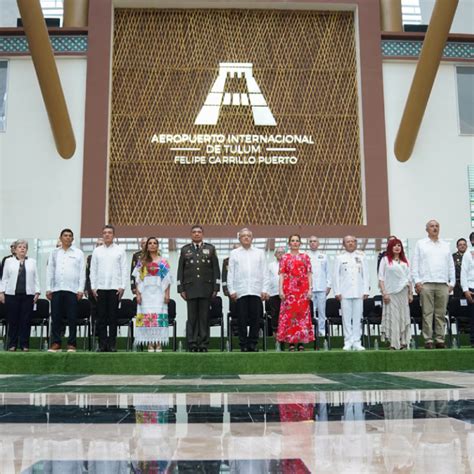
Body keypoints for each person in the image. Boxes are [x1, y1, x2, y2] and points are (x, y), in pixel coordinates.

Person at [412, 220, 455, 349]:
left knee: (441, 314)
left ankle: (440, 339)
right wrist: (417, 281)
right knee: (427, 313)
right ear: (427, 229)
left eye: (437, 226)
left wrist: (452, 282)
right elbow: (415, 264)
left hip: (443, 283)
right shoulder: (421, 244)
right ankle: (428, 340)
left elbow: (450, 265)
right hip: (426, 283)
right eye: (432, 226)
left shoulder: (445, 245)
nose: (435, 228)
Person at [177, 225, 220, 352]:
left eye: (199, 232)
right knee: (192, 318)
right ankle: (192, 343)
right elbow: (180, 270)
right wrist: (181, 288)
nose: (196, 234)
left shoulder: (210, 249)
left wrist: (216, 287)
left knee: (204, 317)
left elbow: (216, 269)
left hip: (206, 288)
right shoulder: (185, 250)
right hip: (190, 288)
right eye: (194, 232)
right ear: (191, 234)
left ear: (203, 234)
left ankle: (203, 344)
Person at [227, 228, 269, 352]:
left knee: (256, 319)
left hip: (256, 290)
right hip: (241, 290)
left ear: (252, 238)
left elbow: (265, 272)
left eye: (248, 236)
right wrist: (231, 289)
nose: (246, 237)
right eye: (243, 236)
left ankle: (253, 343)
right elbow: (231, 273)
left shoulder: (259, 252)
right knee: (242, 319)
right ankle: (243, 344)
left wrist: (265, 289)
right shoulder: (234, 253)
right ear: (239, 238)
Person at [46, 229, 85, 353]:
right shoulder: (54, 253)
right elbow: (50, 271)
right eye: (65, 236)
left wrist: (80, 289)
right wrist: (48, 288)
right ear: (60, 238)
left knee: (72, 317)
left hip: (72, 290)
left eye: (70, 236)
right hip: (56, 289)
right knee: (56, 317)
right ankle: (56, 343)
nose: (68, 238)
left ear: (73, 239)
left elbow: (82, 272)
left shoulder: (78, 253)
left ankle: (72, 343)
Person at [90, 225, 128, 352]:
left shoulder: (120, 250)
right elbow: (93, 270)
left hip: (114, 288)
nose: (107, 235)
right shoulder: (97, 251)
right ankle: (102, 344)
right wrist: (93, 287)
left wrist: (122, 286)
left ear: (113, 235)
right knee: (101, 318)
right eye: (105, 233)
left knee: (113, 317)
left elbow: (124, 269)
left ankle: (112, 344)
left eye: (110, 232)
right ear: (102, 235)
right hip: (100, 288)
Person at [133, 237, 172, 352]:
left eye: (155, 243)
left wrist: (167, 294)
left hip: (159, 293)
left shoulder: (163, 261)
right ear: (147, 246)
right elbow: (138, 280)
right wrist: (138, 295)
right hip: (146, 294)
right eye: (150, 243)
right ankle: (149, 343)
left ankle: (158, 343)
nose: (152, 245)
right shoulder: (142, 261)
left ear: (158, 246)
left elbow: (167, 280)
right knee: (147, 317)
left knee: (159, 316)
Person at [0, 240, 40, 351]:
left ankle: (24, 345)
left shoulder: (32, 261)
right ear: (15, 249)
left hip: (28, 295)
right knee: (12, 320)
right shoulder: (8, 261)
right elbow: (4, 278)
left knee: (25, 320)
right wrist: (1, 292)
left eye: (24, 247)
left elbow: (36, 277)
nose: (22, 249)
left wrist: (37, 292)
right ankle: (12, 344)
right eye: (20, 247)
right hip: (11, 295)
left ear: (27, 250)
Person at [277, 235, 314, 351]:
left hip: (303, 291)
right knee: (290, 316)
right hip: (289, 291)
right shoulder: (284, 257)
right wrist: (280, 290)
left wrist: (310, 289)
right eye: (292, 241)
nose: (295, 243)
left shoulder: (305, 257)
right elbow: (282, 275)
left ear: (300, 243)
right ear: (289, 243)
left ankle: (301, 342)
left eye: (297, 241)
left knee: (302, 316)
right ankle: (291, 342)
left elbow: (309, 274)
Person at [333, 235, 369, 351]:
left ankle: (357, 342)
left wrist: (366, 290)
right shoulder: (339, 258)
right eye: (348, 242)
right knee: (346, 318)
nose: (351, 243)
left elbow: (366, 274)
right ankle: (348, 341)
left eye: (353, 241)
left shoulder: (362, 257)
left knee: (358, 318)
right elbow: (336, 276)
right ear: (344, 244)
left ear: (356, 243)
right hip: (344, 292)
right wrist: (337, 291)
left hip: (358, 291)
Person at [378, 239, 413, 350]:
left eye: (399, 245)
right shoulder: (385, 260)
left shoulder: (405, 261)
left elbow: (409, 278)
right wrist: (384, 293)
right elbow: (381, 278)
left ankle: (403, 342)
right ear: (390, 247)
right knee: (393, 317)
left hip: (403, 292)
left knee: (403, 316)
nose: (397, 247)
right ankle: (393, 343)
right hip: (390, 293)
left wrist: (410, 293)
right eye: (394, 246)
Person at [307, 236, 331, 337]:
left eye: (315, 241)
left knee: (322, 311)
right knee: (310, 311)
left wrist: (329, 285)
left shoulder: (324, 256)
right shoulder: (305, 256)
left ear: (318, 243)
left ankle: (321, 331)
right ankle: (311, 331)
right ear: (309, 244)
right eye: (311, 241)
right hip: (309, 289)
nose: (313, 243)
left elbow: (328, 272)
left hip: (322, 288)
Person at [266, 247, 285, 335]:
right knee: (275, 313)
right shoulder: (270, 265)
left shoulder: (288, 264)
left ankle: (285, 332)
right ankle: (275, 332)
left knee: (286, 313)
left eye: (282, 252)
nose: (280, 254)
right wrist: (267, 292)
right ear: (275, 254)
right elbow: (267, 279)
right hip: (273, 293)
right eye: (278, 252)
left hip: (286, 294)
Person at [461, 241, 474, 347]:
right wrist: (465, 290)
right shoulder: (468, 253)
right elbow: (464, 272)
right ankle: (473, 340)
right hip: (472, 287)